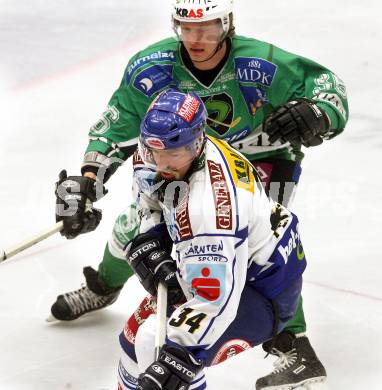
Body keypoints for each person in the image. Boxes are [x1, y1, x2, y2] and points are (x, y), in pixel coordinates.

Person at [52, 0, 349, 388]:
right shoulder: (153, 68)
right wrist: (88, 180)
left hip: (260, 160)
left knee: (261, 239)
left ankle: (291, 340)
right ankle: (103, 287)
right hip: (183, 159)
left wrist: (317, 111)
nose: (197, 39)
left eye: (208, 28)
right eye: (187, 28)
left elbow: (329, 88)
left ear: (228, 24)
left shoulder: (260, 64)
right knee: (134, 226)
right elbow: (118, 125)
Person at [115, 89, 308, 390]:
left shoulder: (210, 209)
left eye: (173, 154)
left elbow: (215, 299)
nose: (161, 163)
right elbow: (152, 197)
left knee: (161, 348)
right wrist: (155, 235)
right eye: (154, 152)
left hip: (262, 289)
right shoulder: (158, 149)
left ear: (196, 143)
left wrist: (182, 356)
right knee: (131, 341)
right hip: (235, 260)